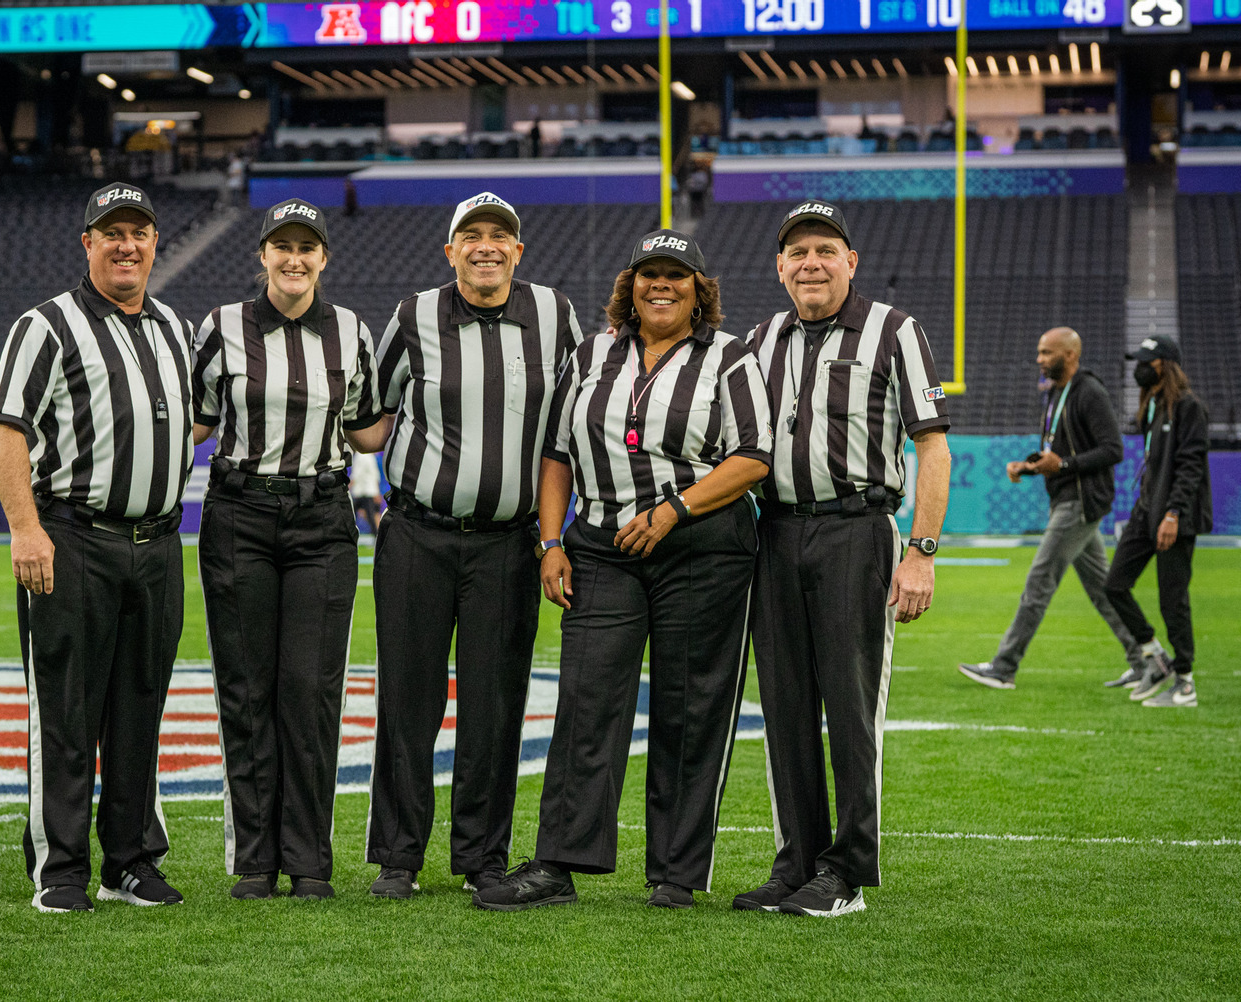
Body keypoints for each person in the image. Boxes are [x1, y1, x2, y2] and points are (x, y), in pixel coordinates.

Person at [474, 229, 772, 912]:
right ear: (629, 285)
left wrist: (674, 511)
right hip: (603, 545)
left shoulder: (729, 356)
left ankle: (676, 871)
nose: (660, 285)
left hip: (702, 547)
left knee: (691, 706)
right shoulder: (590, 354)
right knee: (585, 701)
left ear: (700, 291)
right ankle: (559, 864)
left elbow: (753, 456)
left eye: (676, 275)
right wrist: (552, 543)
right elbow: (556, 455)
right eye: (648, 274)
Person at [735, 199, 951, 918]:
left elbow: (932, 446)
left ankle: (847, 872)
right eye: (797, 252)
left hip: (857, 530)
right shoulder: (758, 339)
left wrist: (920, 551)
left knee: (851, 707)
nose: (811, 263)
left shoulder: (896, 330)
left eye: (825, 250)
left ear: (850, 262)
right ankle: (795, 860)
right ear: (779, 267)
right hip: (776, 531)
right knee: (786, 707)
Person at [367, 191, 583, 899]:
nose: (486, 246)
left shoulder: (556, 318)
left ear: (518, 251)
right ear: (450, 248)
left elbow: (582, 418)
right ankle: (398, 856)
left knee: (494, 705)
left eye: (500, 236)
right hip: (418, 535)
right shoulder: (412, 316)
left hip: (507, 544)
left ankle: (481, 857)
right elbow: (369, 414)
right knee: (408, 699)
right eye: (472, 235)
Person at [0, 181, 194, 914]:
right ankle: (62, 868)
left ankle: (131, 860)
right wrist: (24, 526)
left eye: (138, 232)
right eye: (112, 232)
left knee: (142, 711)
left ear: (155, 243)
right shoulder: (47, 325)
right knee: (68, 711)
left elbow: (180, 424)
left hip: (159, 544)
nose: (126, 244)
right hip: (75, 539)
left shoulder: (172, 325)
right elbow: (7, 426)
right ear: (88, 243)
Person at [190, 198, 390, 901]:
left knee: (309, 693)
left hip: (320, 519)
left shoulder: (353, 332)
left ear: (324, 257)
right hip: (240, 513)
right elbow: (194, 422)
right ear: (263, 255)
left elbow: (368, 431)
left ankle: (308, 861)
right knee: (247, 691)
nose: (294, 258)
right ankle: (254, 859)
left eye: (307, 247)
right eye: (282, 246)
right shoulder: (219, 328)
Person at [957, 327, 1145, 690]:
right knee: (1105, 590)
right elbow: (1055, 453)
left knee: (1038, 583)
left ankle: (1004, 666)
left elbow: (1113, 450)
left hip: (1079, 503)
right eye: (1039, 353)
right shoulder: (1057, 394)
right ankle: (1148, 660)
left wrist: (1062, 466)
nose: (1040, 360)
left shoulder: (1089, 392)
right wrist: (1028, 467)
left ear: (1071, 355)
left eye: (1047, 353)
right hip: (1066, 499)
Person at [1104, 335, 1211, 707]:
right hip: (1146, 510)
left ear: (1164, 364)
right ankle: (1155, 656)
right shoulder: (1153, 408)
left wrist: (1173, 513)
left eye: (1147, 361)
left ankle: (1185, 681)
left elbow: (1191, 465)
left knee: (1172, 600)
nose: (1140, 368)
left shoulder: (1188, 407)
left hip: (1173, 516)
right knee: (1115, 584)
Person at [350, 451, 383, 537]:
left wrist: (349, 485)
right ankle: (376, 536)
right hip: (367, 491)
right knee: (370, 516)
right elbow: (375, 476)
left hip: (363, 491)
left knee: (354, 516)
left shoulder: (362, 456)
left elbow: (357, 473)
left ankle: (376, 536)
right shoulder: (368, 456)